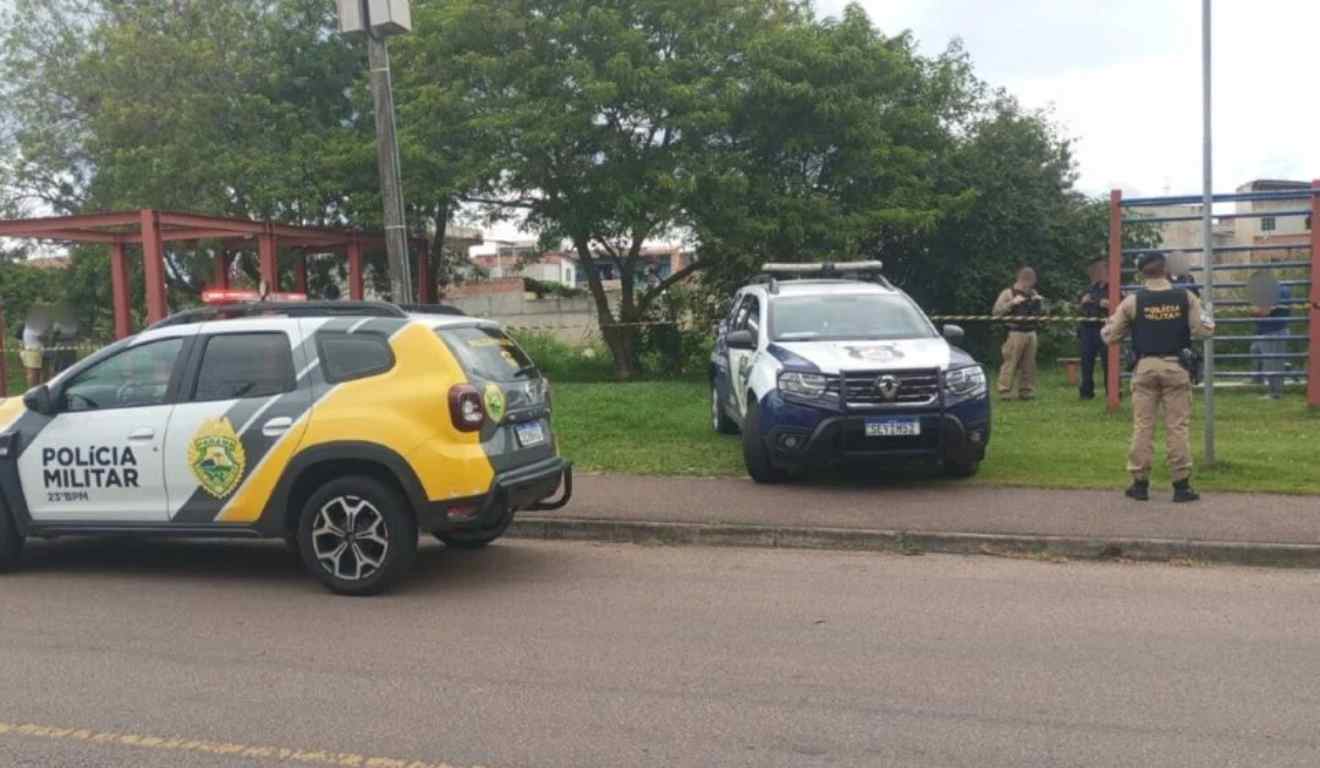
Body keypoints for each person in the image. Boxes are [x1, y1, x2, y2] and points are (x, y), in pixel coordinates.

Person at [1102, 251, 1214, 503]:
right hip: (1176, 367)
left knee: (1143, 426)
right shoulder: (1186, 296)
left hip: (1144, 367)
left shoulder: (1133, 301)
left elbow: (1110, 336)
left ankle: (1139, 485)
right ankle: (1181, 486)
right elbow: (1205, 330)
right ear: (1167, 270)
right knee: (1177, 426)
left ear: (1142, 273)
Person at [992, 267, 1044, 400]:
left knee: (1029, 364)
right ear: (1022, 279)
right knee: (1010, 362)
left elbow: (1039, 313)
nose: (1031, 285)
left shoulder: (1033, 293)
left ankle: (1026, 391)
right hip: (1015, 332)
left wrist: (1039, 302)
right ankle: (1005, 391)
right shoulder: (1008, 293)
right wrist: (1011, 303)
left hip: (1031, 332)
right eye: (1029, 280)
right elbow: (996, 312)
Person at [1250, 280, 1291, 400]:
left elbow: (1263, 311)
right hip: (1269, 331)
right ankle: (1271, 389)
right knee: (1269, 360)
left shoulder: (1278, 291)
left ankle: (1275, 394)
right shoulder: (1278, 289)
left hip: (1272, 331)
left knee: (1273, 364)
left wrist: (1254, 310)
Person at [1077, 260, 1110, 400]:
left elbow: (1119, 306)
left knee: (1108, 362)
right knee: (1086, 361)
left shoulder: (1114, 288)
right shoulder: (1089, 288)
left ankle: (1113, 392)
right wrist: (1082, 303)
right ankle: (1086, 392)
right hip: (1087, 329)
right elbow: (1079, 307)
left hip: (1106, 328)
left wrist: (1105, 304)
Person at [19, 322, 46, 389]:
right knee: (33, 374)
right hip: (32, 348)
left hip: (42, 348)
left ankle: (42, 389)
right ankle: (33, 391)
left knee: (44, 373)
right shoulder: (30, 326)